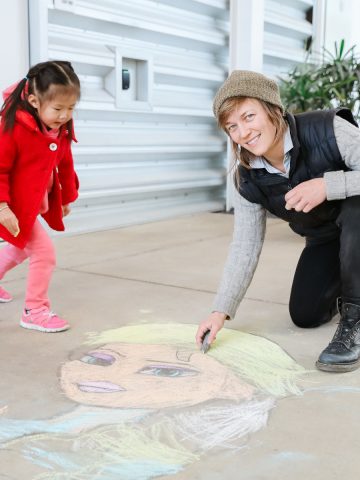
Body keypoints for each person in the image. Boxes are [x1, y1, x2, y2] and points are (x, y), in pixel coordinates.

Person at [195, 69, 360, 373]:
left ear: (273, 109)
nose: (243, 133)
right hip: (328, 237)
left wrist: (326, 185)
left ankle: (355, 319)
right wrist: (221, 311)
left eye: (248, 117)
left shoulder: (329, 129)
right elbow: (245, 245)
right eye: (232, 126)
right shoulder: (248, 177)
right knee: (305, 314)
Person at [0, 323, 305, 479]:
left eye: (165, 371)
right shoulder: (21, 425)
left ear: (235, 387)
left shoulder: (138, 459)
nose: (117, 373)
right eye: (100, 358)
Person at [0, 60, 80, 332]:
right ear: (34, 100)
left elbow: (65, 162)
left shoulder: (58, 127)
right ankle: (34, 309)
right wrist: (2, 208)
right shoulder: (13, 128)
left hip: (29, 202)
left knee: (20, 247)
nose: (64, 115)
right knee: (44, 252)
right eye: (58, 108)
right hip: (7, 203)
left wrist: (66, 197)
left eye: (70, 108)